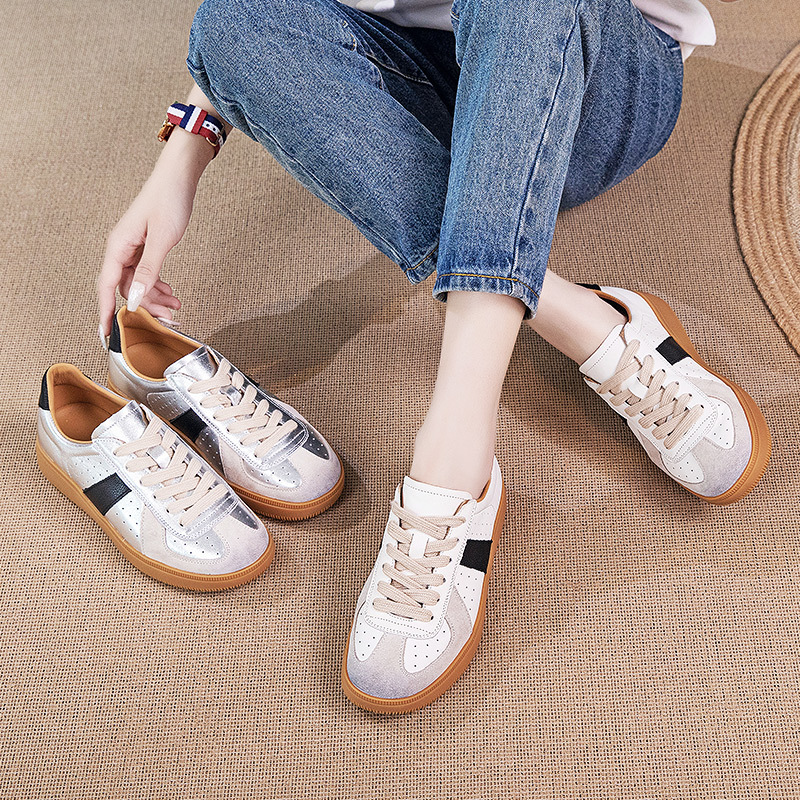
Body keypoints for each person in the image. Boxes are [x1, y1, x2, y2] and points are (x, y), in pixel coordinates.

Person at [96, 0, 769, 712]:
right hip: (423, 88)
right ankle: (583, 320)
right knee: (233, 26)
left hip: (590, 75)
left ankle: (452, 455)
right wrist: (188, 145)